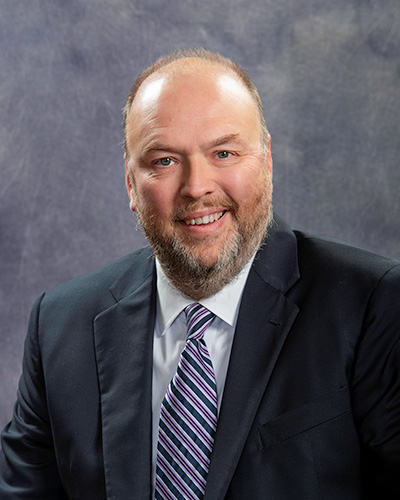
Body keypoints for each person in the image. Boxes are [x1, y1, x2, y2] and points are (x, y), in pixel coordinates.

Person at [0, 49, 399, 499]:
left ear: (267, 162)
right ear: (131, 183)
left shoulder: (374, 305)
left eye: (224, 152)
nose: (197, 186)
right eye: (164, 161)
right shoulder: (60, 325)